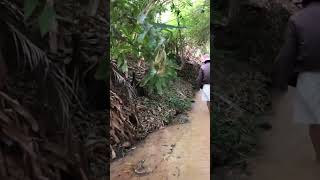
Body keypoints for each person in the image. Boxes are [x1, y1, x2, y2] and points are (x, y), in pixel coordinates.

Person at [272, 0, 320, 162]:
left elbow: (286, 56)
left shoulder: (297, 19)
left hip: (310, 75)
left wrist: (280, 81)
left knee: (316, 121)